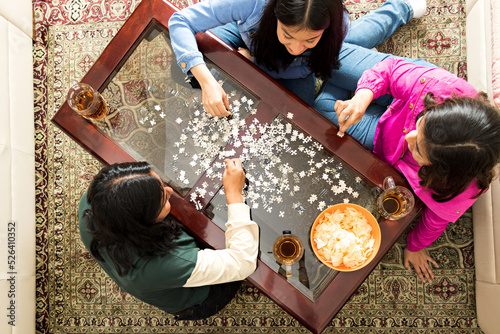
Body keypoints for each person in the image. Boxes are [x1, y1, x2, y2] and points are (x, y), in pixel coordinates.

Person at [314, 57, 500, 283]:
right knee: (331, 57)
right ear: (435, 109)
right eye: (421, 124)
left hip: (384, 136)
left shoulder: (459, 192)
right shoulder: (439, 88)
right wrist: (363, 97)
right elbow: (389, 70)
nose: (408, 137)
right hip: (407, 99)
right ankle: (399, 27)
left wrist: (415, 246)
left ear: (439, 172)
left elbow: (435, 221)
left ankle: (381, 75)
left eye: (418, 149)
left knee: (322, 101)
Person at [168, 0, 428, 113]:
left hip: (303, 67)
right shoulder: (251, 3)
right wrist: (207, 81)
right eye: (288, 35)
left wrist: (253, 65)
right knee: (183, 70)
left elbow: (302, 65)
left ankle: (400, 7)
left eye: (309, 39)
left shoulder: (339, 24)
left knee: (300, 115)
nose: (295, 48)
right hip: (248, 36)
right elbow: (179, 20)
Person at [78, 159, 259, 320]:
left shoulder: (92, 200)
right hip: (201, 299)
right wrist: (234, 194)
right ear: (145, 222)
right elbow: (243, 262)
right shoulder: (171, 262)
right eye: (162, 199)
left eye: (160, 183)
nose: (170, 190)